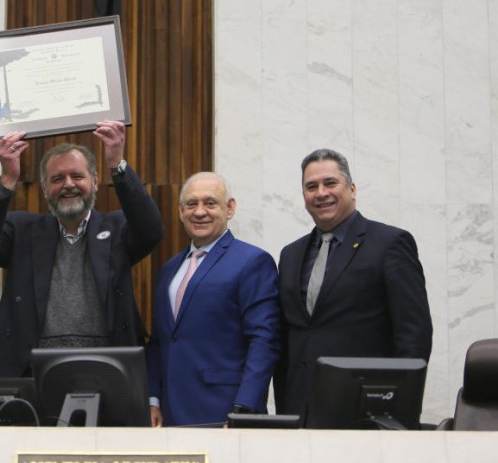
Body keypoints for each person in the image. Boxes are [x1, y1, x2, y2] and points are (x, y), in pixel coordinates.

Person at [0, 121, 163, 377]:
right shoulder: (22, 230)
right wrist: (7, 180)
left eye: (77, 176)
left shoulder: (118, 229)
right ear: (46, 188)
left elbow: (151, 230)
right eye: (57, 179)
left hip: (108, 372)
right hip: (33, 374)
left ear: (94, 181)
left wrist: (117, 165)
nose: (68, 184)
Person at [274, 148, 433, 419]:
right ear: (304, 197)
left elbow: (414, 335)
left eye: (330, 183)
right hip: (300, 411)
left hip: (366, 410)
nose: (321, 193)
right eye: (311, 186)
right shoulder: (290, 255)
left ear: (352, 189)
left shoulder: (390, 244)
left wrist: (395, 406)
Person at [146, 172, 280, 427]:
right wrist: (153, 399)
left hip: (224, 412)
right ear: (180, 211)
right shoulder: (169, 269)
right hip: (169, 414)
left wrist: (245, 408)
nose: (199, 212)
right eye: (191, 204)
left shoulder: (252, 261)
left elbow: (264, 339)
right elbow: (159, 342)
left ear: (229, 208)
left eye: (210, 203)